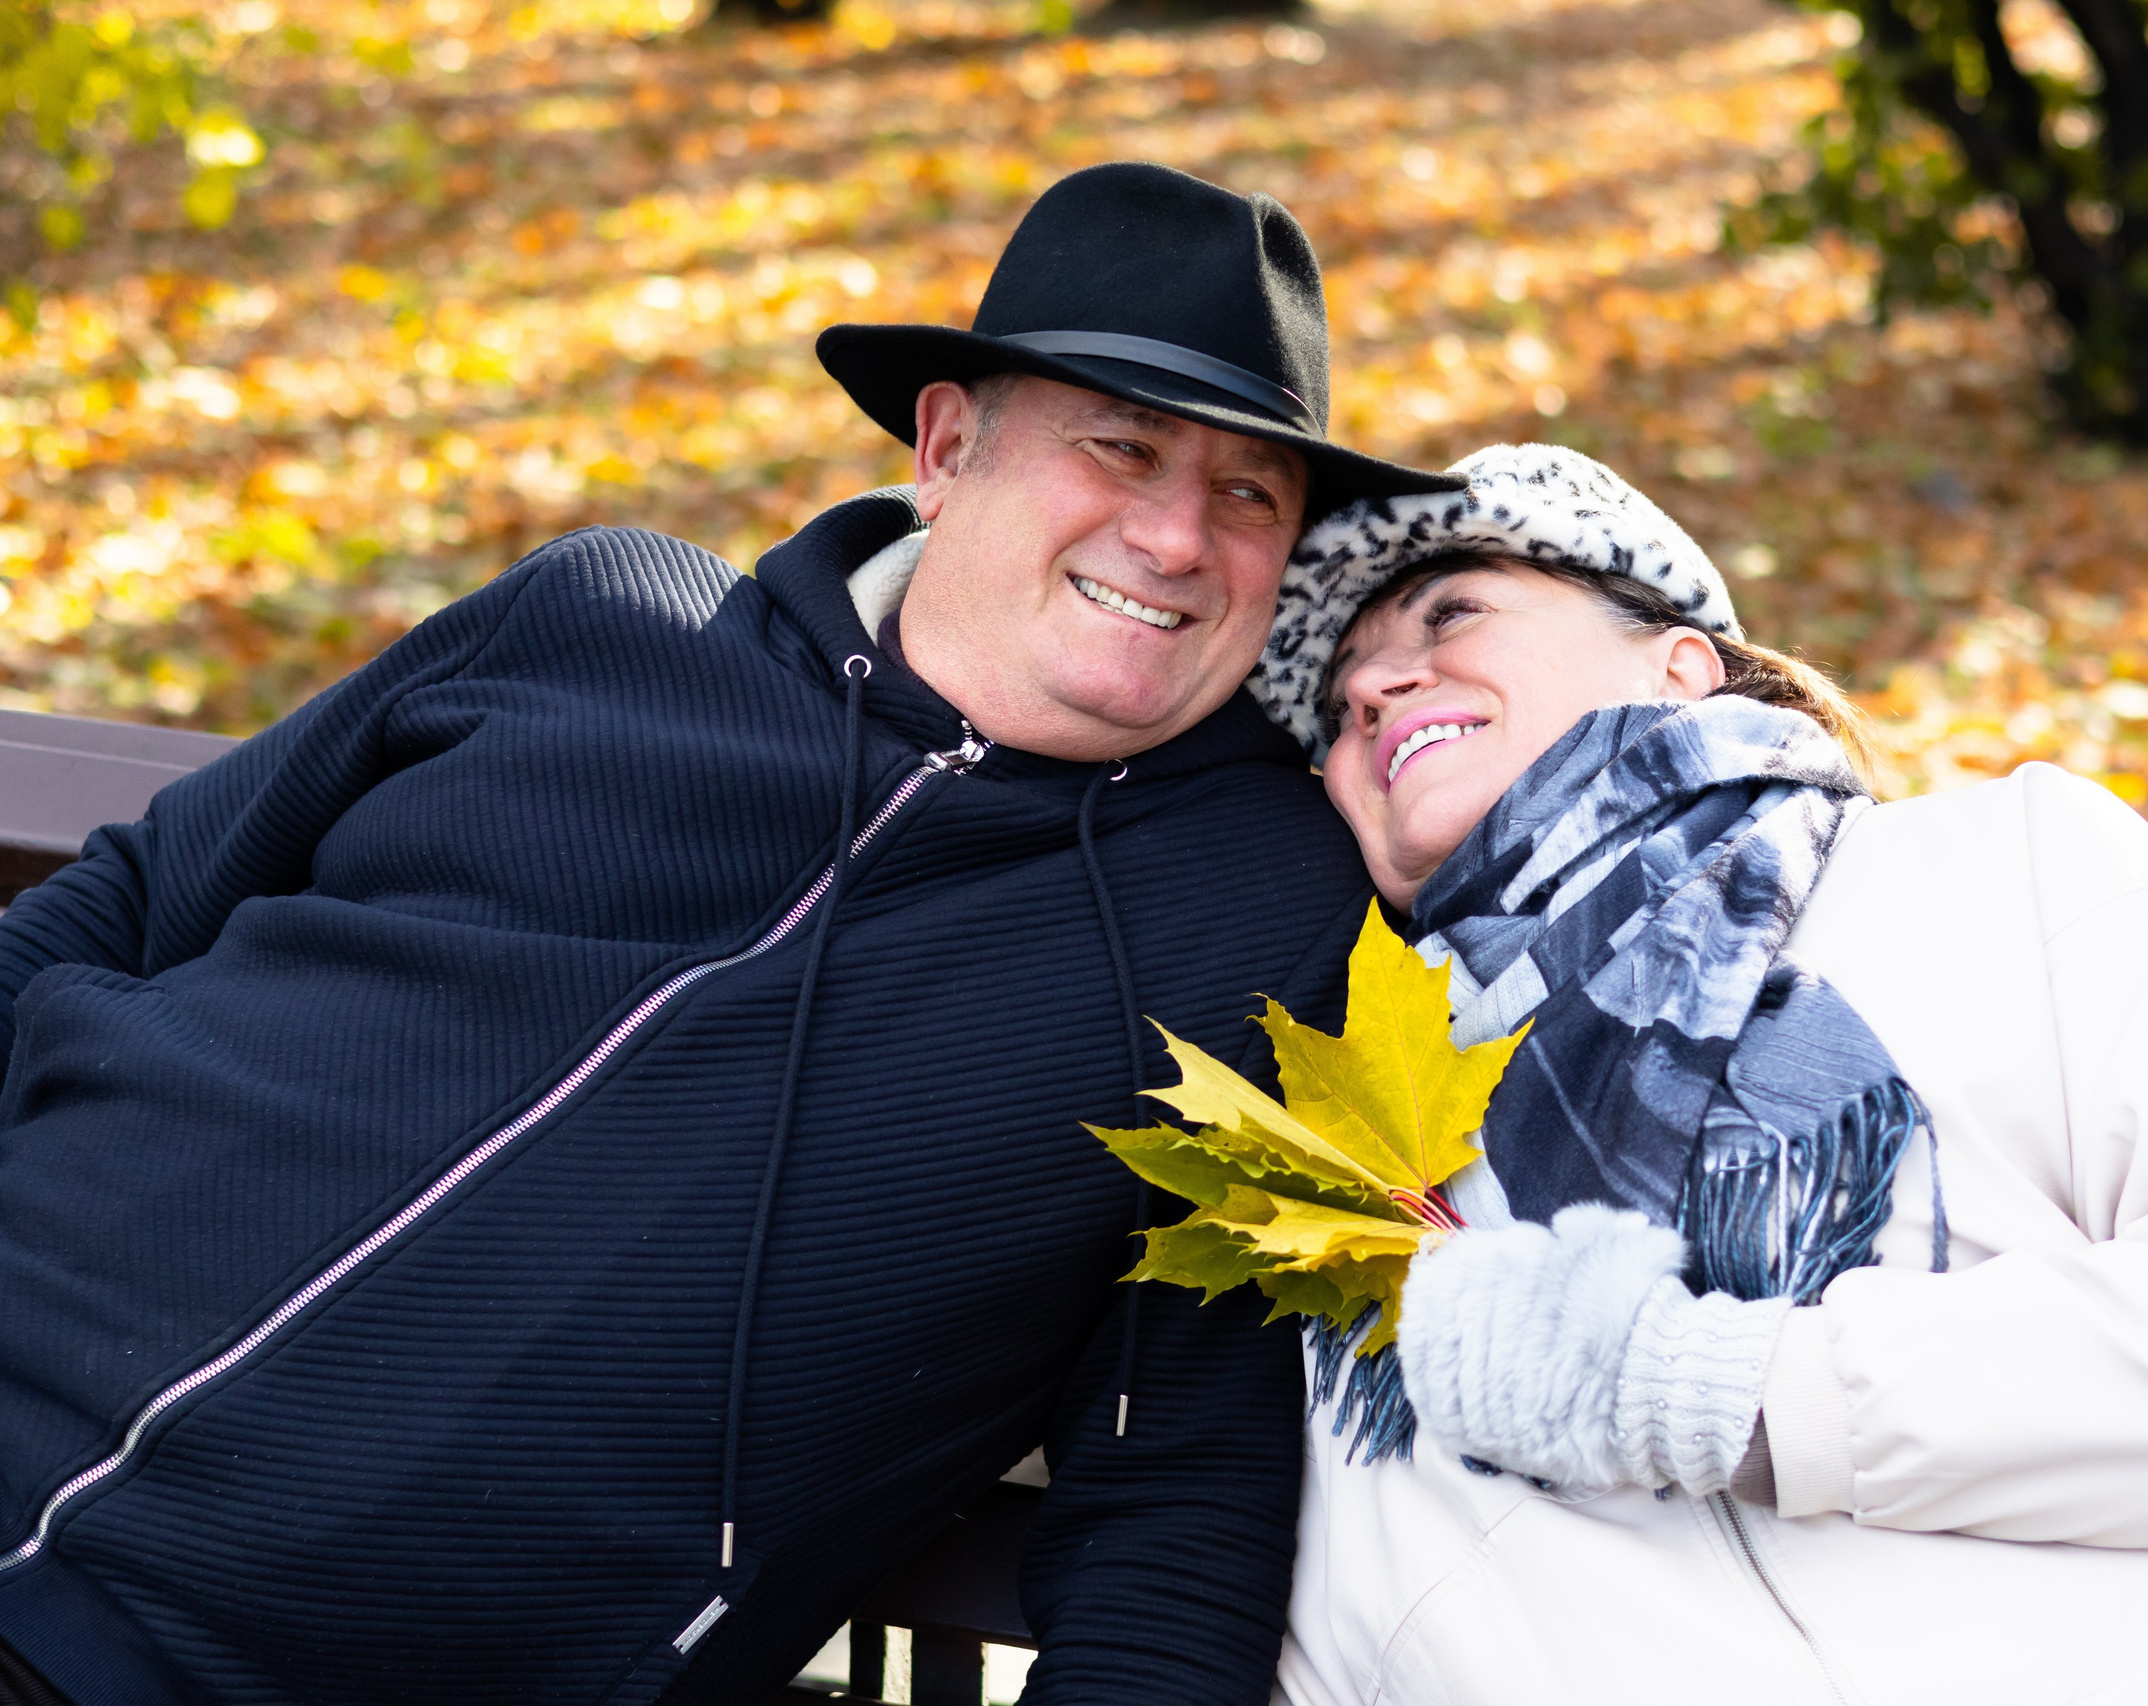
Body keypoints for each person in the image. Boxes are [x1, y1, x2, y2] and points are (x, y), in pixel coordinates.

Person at [0, 162, 1460, 1706]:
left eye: (1250, 493)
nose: (1176, 537)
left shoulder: (1263, 912)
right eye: (1124, 448)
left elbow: (1179, 1489)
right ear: (948, 446)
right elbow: (120, 905)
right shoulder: (597, 616)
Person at [1243, 443, 2148, 1705]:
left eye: (1448, 611)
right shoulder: (1364, 1190)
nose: (1375, 687)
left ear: (1683, 662)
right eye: (1337, 700)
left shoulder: (2004, 863)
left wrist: (1714, 1390)